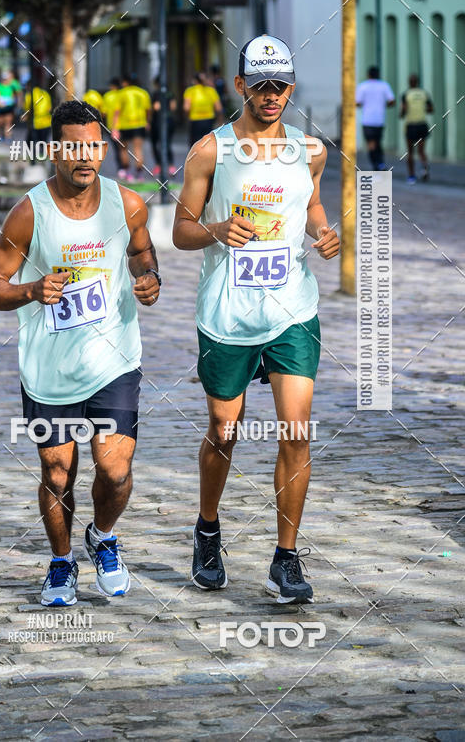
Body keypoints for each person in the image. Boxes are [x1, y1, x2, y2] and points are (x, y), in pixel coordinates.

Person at [173, 34, 340, 605]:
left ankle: (286, 559)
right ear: (240, 84)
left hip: (293, 308)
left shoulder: (309, 150)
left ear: (291, 87)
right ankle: (208, 530)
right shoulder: (209, 152)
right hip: (228, 313)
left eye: (281, 85)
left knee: (296, 430)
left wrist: (323, 230)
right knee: (225, 430)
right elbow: (181, 231)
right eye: (261, 85)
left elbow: (312, 202)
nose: (271, 95)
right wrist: (217, 231)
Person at [0, 101, 161, 606]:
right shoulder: (28, 213)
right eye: (73, 146)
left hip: (113, 360)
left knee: (116, 470)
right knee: (58, 472)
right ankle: (61, 564)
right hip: (50, 371)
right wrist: (31, 292)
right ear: (54, 150)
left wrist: (149, 278)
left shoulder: (126, 204)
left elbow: (141, 251)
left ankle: (103, 536)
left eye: (93, 145)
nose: (85, 157)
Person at [356, 66, 395, 170]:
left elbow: (357, 103)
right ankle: (380, 163)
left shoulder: (362, 86)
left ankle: (376, 164)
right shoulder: (384, 85)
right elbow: (392, 101)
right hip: (379, 119)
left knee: (371, 144)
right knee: (378, 142)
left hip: (367, 119)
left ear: (368, 75)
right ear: (378, 74)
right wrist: (382, 104)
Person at [114, 74, 151, 182]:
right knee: (138, 150)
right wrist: (147, 122)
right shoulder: (143, 93)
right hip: (139, 124)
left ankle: (127, 173)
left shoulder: (121, 93)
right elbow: (148, 110)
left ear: (126, 82)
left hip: (125, 125)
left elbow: (117, 112)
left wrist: (115, 127)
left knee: (123, 150)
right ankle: (139, 174)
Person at [400, 73, 433, 184]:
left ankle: (411, 176)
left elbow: (403, 111)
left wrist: (402, 113)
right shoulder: (424, 93)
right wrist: (422, 110)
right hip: (422, 125)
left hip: (411, 125)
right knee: (421, 151)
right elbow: (431, 109)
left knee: (410, 152)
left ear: (409, 82)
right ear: (417, 82)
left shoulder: (406, 94)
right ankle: (424, 168)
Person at [183, 72, 223, 147]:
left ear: (195, 80)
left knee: (195, 144)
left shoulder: (190, 91)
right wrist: (220, 121)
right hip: (208, 120)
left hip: (195, 120)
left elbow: (186, 108)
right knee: (208, 143)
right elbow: (219, 108)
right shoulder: (211, 90)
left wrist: (188, 117)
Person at [149, 78, 176, 177]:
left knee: (155, 144)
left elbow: (156, 107)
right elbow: (173, 107)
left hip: (157, 122)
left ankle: (158, 165)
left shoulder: (156, 94)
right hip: (169, 121)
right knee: (167, 143)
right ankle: (171, 166)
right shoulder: (170, 93)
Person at [102, 78, 126, 178]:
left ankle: (121, 169)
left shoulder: (108, 96)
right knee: (125, 148)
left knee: (117, 149)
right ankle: (131, 170)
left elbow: (104, 112)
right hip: (126, 125)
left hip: (112, 126)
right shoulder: (123, 94)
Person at [0, 69, 22, 143]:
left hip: (9, 107)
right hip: (1, 108)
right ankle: (1, 135)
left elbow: (18, 94)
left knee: (8, 122)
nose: (5, 80)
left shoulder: (12, 86)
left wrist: (19, 104)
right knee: (0, 122)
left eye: (6, 79)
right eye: (4, 79)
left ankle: (8, 136)